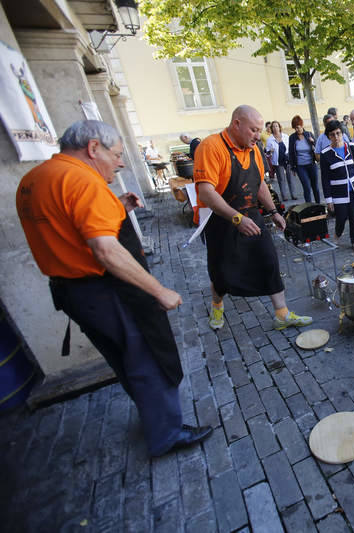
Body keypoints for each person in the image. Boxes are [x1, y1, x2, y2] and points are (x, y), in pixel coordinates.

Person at [16, 120, 212, 456]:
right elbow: (105, 251)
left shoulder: (35, 179)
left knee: (122, 359)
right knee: (147, 356)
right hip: (106, 290)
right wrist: (158, 290)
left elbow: (68, 227)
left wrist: (115, 207)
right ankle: (166, 434)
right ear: (94, 148)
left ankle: (152, 416)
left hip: (72, 293)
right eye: (117, 154)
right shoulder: (81, 181)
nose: (120, 163)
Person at [194, 105, 313, 332]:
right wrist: (237, 219)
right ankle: (217, 306)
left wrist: (274, 212)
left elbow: (259, 185)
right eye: (254, 130)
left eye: (260, 130)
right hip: (220, 219)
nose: (258, 136)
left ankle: (282, 314)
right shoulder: (210, 147)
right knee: (221, 271)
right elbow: (206, 193)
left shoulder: (254, 149)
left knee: (269, 260)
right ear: (236, 124)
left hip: (251, 213)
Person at [319, 120, 354, 251]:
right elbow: (325, 179)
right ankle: (338, 233)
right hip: (338, 193)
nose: (336, 137)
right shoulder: (325, 154)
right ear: (328, 136)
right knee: (341, 218)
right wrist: (329, 200)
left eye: (338, 133)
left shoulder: (351, 147)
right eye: (332, 135)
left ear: (342, 133)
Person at [288, 115, 320, 203]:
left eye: (298, 127)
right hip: (300, 166)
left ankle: (318, 205)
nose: (297, 129)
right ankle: (309, 206)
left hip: (311, 164)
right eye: (295, 128)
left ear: (302, 125)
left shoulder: (309, 134)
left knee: (315, 187)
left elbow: (317, 147)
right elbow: (291, 153)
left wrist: (313, 142)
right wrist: (293, 168)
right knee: (306, 187)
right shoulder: (292, 138)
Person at [265, 120, 296, 201]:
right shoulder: (270, 139)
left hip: (287, 159)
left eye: (276, 126)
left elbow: (291, 148)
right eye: (273, 126)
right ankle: (284, 196)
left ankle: (293, 195)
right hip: (278, 161)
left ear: (279, 127)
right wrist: (270, 151)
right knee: (281, 179)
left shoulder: (286, 136)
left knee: (290, 178)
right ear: (271, 129)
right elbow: (267, 153)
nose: (275, 128)